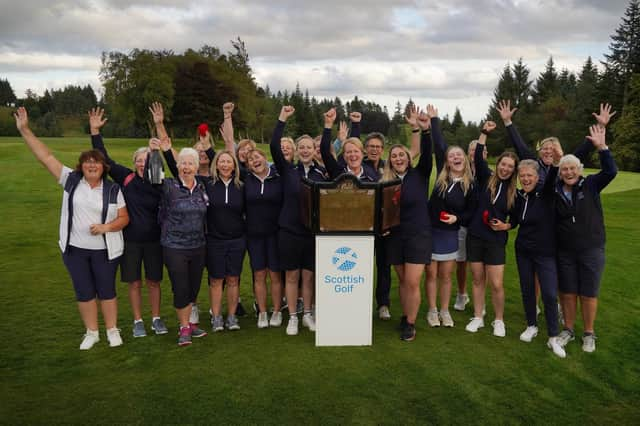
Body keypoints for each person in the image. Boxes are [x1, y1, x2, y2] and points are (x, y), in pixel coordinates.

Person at [15, 107, 129, 350]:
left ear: (103, 167)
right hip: (75, 250)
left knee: (106, 291)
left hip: (105, 251)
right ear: (81, 166)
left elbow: (124, 219)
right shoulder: (71, 181)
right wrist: (25, 130)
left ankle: (112, 330)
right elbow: (46, 157)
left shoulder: (112, 190)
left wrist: (106, 227)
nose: (91, 165)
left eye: (96, 162)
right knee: (84, 292)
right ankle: (91, 332)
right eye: (87, 162)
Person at [88, 107, 168, 338]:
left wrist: (156, 150)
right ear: (134, 162)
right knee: (134, 283)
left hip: (154, 241)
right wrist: (95, 132)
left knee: (153, 282)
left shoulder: (158, 181)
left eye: (147, 160)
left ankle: (156, 318)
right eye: (139, 160)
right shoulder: (126, 176)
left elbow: (160, 162)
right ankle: (138, 321)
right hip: (131, 241)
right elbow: (104, 158)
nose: (143, 163)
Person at [554, 125, 617, 353]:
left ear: (579, 170)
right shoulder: (557, 191)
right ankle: (568, 329)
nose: (569, 172)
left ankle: (589, 333)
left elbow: (610, 172)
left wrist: (602, 148)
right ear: (560, 173)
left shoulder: (590, 184)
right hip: (565, 251)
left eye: (572, 168)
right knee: (568, 292)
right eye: (564, 170)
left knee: (588, 293)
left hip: (591, 249)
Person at [270, 105, 325, 336]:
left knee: (309, 276)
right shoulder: (287, 170)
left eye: (308, 147)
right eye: (300, 147)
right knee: (291, 276)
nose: (304, 150)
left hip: (311, 233)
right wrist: (282, 118)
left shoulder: (321, 174)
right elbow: (274, 145)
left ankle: (307, 314)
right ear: (296, 150)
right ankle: (292, 316)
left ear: (314, 150)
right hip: (289, 231)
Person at [149, 139, 209, 346]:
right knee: (181, 287)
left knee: (193, 288)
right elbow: (154, 175)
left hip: (198, 245)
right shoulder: (168, 186)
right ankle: (184, 327)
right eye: (182, 163)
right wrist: (155, 152)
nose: (186, 167)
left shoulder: (201, 187)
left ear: (196, 166)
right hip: (174, 246)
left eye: (190, 163)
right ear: (177, 166)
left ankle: (192, 324)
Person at [380, 110, 432, 341]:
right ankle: (405, 315)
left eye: (402, 155)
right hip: (395, 236)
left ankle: (410, 323)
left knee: (412, 282)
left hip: (417, 235)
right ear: (389, 160)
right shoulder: (387, 182)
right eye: (394, 156)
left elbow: (428, 152)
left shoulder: (420, 174)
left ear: (409, 158)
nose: (399, 159)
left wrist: (423, 129)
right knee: (402, 281)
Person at [423, 105, 475, 328]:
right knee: (431, 274)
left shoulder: (469, 185)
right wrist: (434, 121)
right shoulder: (441, 179)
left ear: (464, 160)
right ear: (447, 161)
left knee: (446, 276)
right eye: (451, 155)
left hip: (450, 234)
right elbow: (439, 146)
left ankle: (445, 311)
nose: (455, 157)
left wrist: (458, 219)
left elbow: (470, 212)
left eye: (459, 155)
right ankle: (432, 311)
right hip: (431, 232)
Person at [464, 121, 518, 337]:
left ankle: (499, 320)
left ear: (513, 170)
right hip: (475, 236)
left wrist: (506, 225)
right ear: (498, 164)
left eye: (510, 167)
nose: (505, 169)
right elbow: (477, 155)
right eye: (503, 164)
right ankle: (478, 316)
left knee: (496, 283)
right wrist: (484, 132)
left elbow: (515, 219)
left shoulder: (515, 191)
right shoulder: (486, 177)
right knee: (477, 280)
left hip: (496, 240)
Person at [511, 155, 566, 358]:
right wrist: (505, 225)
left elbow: (552, 177)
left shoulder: (546, 193)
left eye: (529, 175)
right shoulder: (519, 196)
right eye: (522, 175)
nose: (525, 179)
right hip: (523, 250)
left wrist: (556, 163)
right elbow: (516, 220)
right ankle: (531, 325)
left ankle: (553, 336)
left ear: (537, 177)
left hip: (545, 252)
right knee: (527, 290)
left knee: (550, 294)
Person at [204, 150, 246, 331]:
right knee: (216, 280)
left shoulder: (241, 186)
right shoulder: (207, 184)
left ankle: (231, 316)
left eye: (229, 162)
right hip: (214, 240)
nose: (225, 165)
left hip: (237, 240)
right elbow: (179, 172)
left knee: (233, 279)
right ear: (216, 164)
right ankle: (217, 317)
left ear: (234, 165)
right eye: (222, 161)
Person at [244, 148, 284, 328]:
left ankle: (276, 311)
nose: (255, 160)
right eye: (250, 159)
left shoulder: (278, 177)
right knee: (259, 274)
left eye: (257, 156)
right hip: (254, 236)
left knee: (275, 275)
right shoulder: (246, 180)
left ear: (265, 158)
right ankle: (262, 312)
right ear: (248, 165)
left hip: (275, 234)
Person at [320, 108, 378, 182]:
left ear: (363, 154)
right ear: (344, 156)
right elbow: (325, 151)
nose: (352, 155)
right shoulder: (337, 172)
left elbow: (355, 143)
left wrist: (355, 124)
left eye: (356, 151)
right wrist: (328, 125)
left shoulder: (371, 174)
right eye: (348, 152)